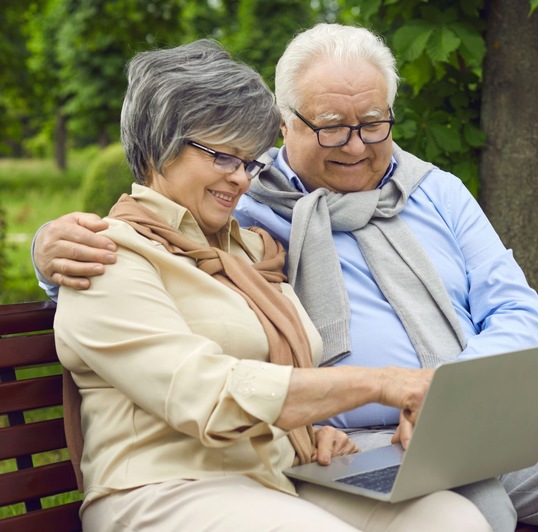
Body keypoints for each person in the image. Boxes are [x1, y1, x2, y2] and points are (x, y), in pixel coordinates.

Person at [34, 25, 538, 532]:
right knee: (477, 510)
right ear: (285, 127)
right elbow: (137, 257)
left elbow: (518, 311)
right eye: (330, 126)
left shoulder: (431, 193)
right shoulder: (249, 205)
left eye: (372, 122)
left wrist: (446, 395)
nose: (355, 144)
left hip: (459, 416)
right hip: (332, 446)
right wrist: (50, 254)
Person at [48, 39, 493, 532]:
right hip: (161, 492)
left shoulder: (248, 253)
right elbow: (206, 394)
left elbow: (273, 366)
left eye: (249, 162)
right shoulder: (107, 257)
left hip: (274, 477)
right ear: (160, 147)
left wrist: (309, 430)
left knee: (451, 517)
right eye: (223, 157)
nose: (241, 179)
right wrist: (383, 383)